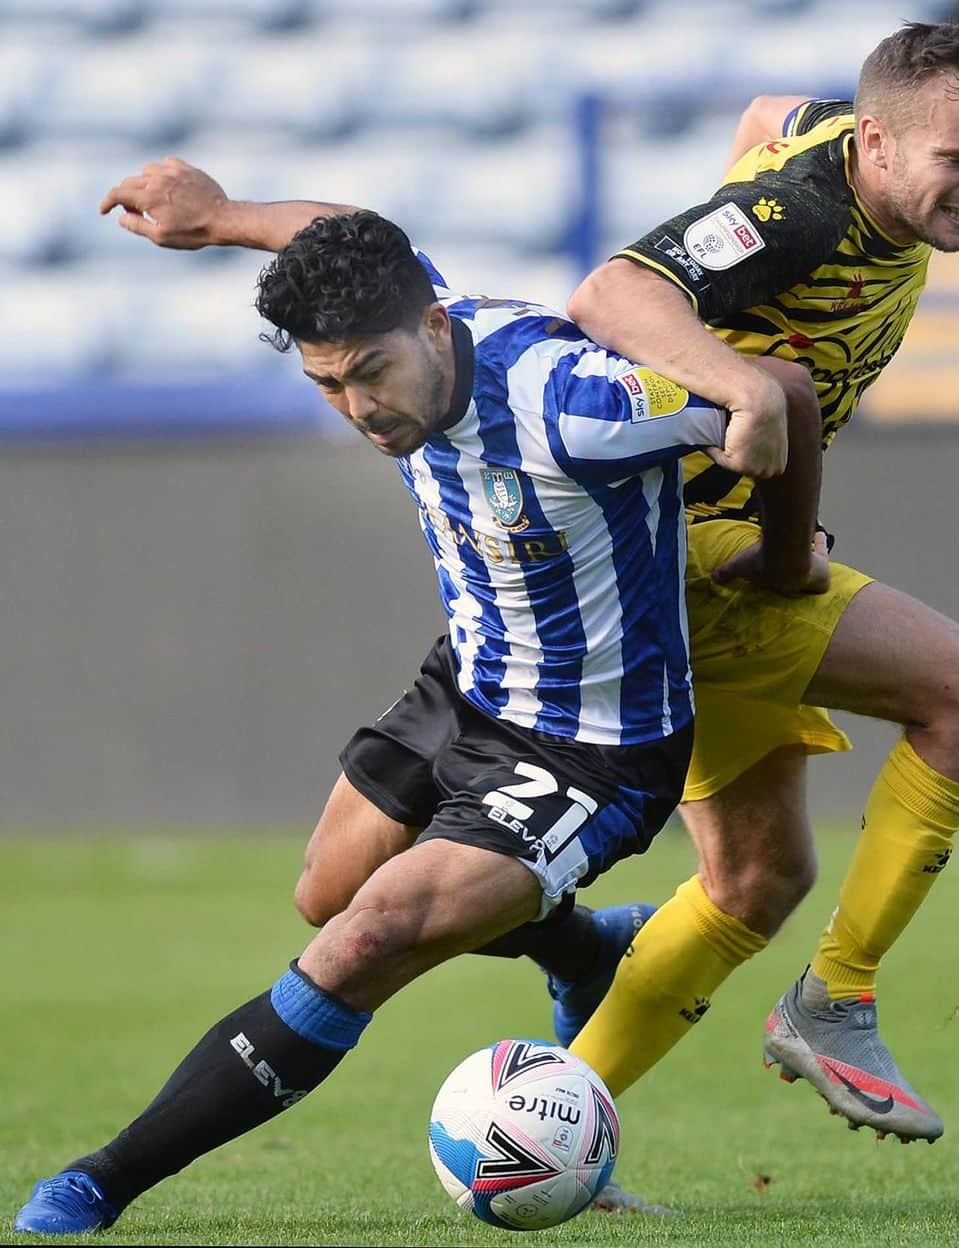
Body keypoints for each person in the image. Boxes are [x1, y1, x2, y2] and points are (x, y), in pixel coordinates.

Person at [14, 205, 800, 1234]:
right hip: (471, 677)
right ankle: (580, 951)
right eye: (326, 384)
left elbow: (780, 392)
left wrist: (790, 555)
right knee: (326, 893)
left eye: (369, 374)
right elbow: (340, 224)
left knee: (366, 936)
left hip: (592, 751)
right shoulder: (402, 316)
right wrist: (219, 218)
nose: (356, 407)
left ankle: (100, 1181)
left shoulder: (578, 404)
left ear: (433, 327)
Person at [562, 20, 959, 1142]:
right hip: (697, 541)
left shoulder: (834, 151)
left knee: (754, 880)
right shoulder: (800, 216)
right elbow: (608, 295)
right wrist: (748, 392)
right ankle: (838, 999)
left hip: (663, 554)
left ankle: (536, 1132)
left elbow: (770, 114)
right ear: (875, 143)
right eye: (958, 162)